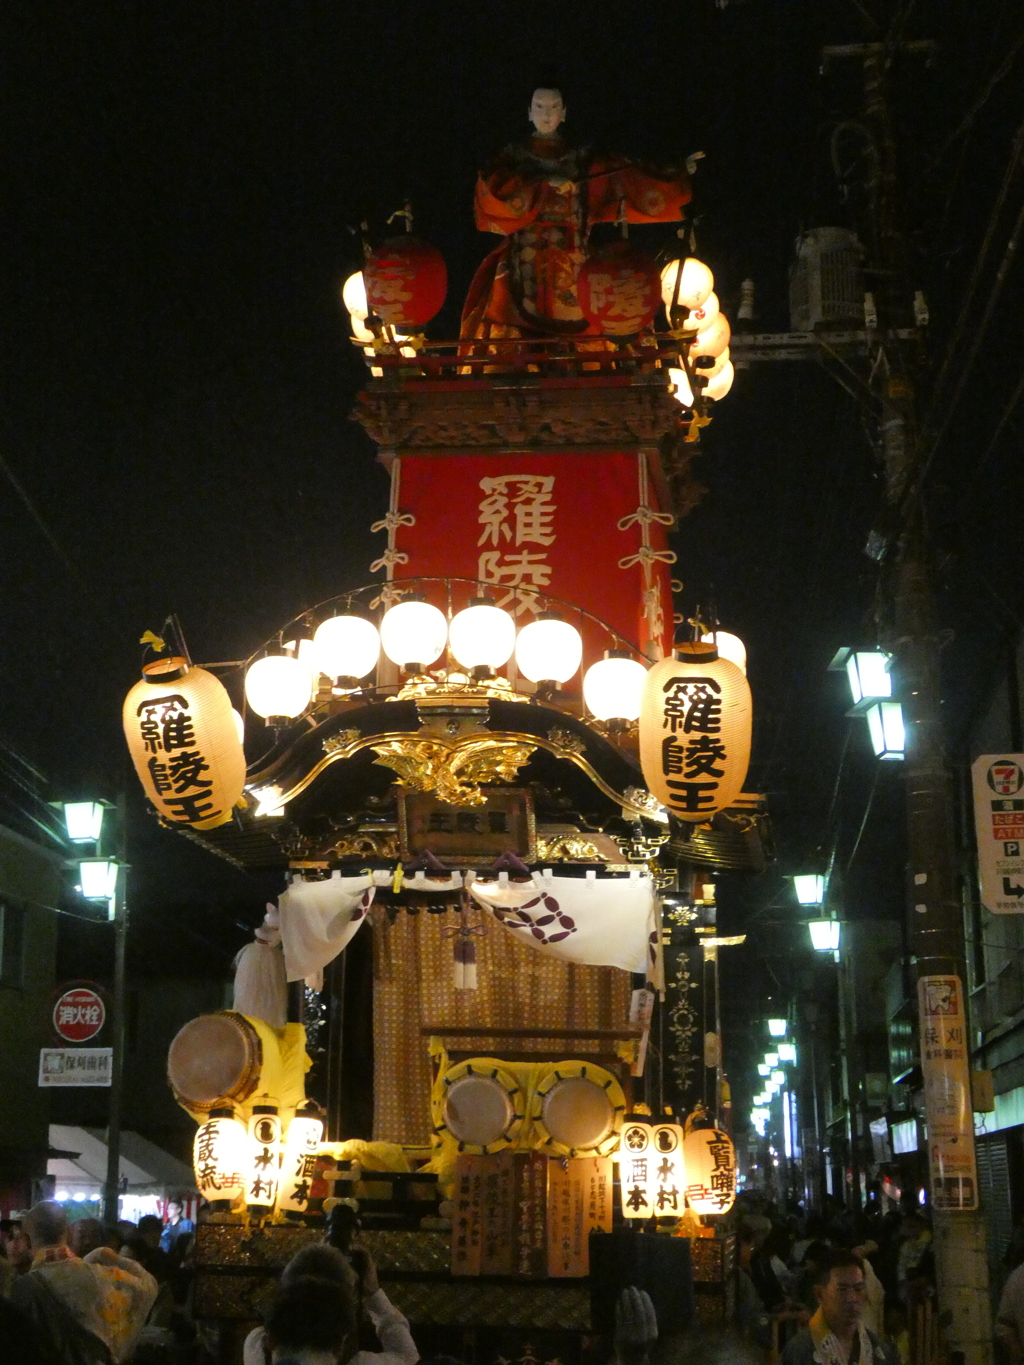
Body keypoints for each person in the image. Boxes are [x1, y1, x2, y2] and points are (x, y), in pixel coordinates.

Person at [460, 86, 692, 342]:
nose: (546, 113)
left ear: (564, 113)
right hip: (523, 261)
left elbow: (627, 176)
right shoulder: (513, 158)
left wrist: (676, 174)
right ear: (528, 113)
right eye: (539, 106)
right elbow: (492, 192)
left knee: (589, 326)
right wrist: (543, 185)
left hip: (576, 259)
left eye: (553, 107)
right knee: (509, 321)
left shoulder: (582, 160)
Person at [9, 1199, 158, 1364]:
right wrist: (106, 1254)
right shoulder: (103, 1276)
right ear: (70, 1234)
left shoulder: (21, 1288)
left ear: (27, 1240)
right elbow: (149, 1284)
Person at [243, 1243, 418, 1365]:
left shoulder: (256, 1347)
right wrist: (373, 1293)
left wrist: (316, 1258)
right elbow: (408, 1358)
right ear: (338, 1347)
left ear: (271, 1341)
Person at [781, 1249, 898, 1365]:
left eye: (858, 1289)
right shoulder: (799, 1352)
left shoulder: (880, 1352)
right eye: (842, 1289)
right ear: (819, 1294)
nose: (852, 1298)